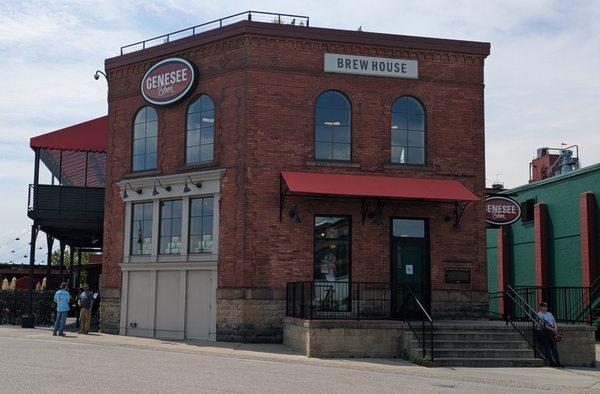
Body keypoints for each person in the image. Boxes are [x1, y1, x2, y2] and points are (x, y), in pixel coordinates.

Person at [536, 302, 563, 367]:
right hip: (543, 332)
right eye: (544, 306)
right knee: (547, 347)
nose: (546, 308)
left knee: (554, 347)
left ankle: (558, 362)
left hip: (551, 331)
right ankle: (551, 362)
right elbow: (543, 325)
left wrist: (555, 328)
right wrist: (552, 329)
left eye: (546, 306)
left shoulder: (549, 314)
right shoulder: (539, 314)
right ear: (541, 307)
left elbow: (554, 321)